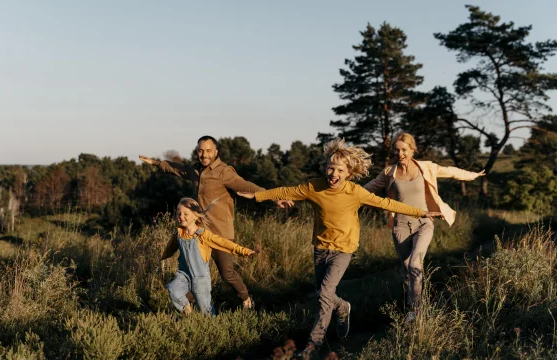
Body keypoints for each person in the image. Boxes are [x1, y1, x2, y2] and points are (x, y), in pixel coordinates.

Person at [237, 138, 442, 358]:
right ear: (326, 167)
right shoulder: (313, 187)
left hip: (344, 249)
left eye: (340, 170)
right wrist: (258, 195)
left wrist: (420, 212)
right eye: (331, 168)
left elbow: (387, 203)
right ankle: (343, 307)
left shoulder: (355, 192)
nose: (334, 173)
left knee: (325, 293)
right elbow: (287, 191)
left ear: (348, 173)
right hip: (320, 248)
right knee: (321, 294)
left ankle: (311, 347)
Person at [139, 135, 292, 309]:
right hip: (199, 233)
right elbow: (178, 169)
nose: (204, 154)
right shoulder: (195, 170)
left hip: (220, 231)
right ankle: (188, 304)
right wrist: (156, 163)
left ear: (216, 152)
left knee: (227, 273)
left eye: (208, 151)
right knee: (193, 271)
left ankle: (246, 299)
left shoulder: (224, 172)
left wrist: (274, 197)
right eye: (201, 150)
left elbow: (246, 186)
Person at [363, 132, 485, 320]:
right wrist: (347, 195)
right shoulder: (389, 172)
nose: (400, 153)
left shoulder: (426, 167)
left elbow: (450, 171)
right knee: (407, 271)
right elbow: (369, 188)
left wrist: (473, 175)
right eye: (397, 150)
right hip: (400, 225)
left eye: (404, 150)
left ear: (413, 150)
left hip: (424, 223)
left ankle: (417, 311)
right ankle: (411, 306)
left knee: (414, 264)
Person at [161, 197, 257, 315]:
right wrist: (163, 256)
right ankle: (187, 310)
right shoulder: (179, 233)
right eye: (179, 213)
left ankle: (211, 325)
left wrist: (244, 251)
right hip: (183, 274)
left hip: (200, 278)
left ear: (195, 216)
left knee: (205, 310)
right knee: (173, 289)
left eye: (186, 214)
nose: (181, 216)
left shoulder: (203, 235)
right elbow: (171, 246)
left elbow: (224, 243)